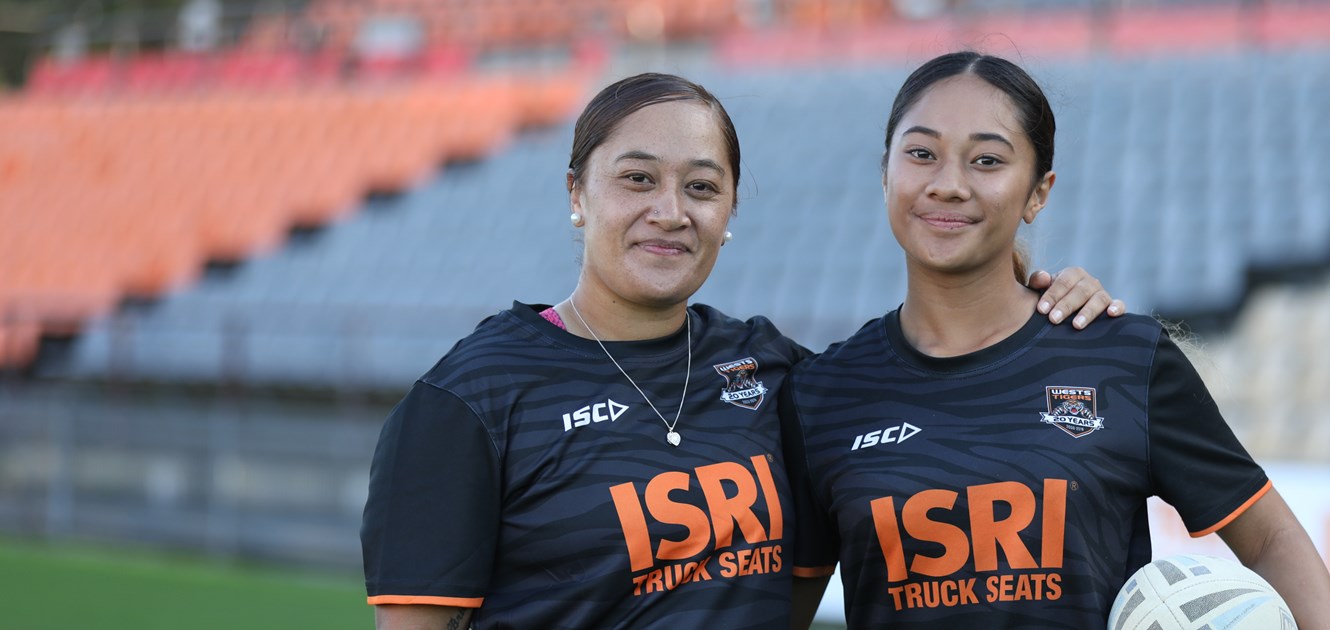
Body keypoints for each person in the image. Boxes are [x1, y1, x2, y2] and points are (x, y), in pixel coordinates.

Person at [360, 73, 1123, 630]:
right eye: (636, 179)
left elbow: (927, 374)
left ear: (728, 213)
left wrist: (1037, 291)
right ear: (576, 195)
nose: (670, 212)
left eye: (701, 187)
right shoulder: (471, 399)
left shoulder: (774, 370)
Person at [782, 52, 1330, 629]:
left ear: (1038, 193)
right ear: (885, 174)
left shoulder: (1120, 358)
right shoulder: (822, 395)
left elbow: (1273, 538)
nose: (948, 184)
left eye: (987, 160)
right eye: (921, 153)